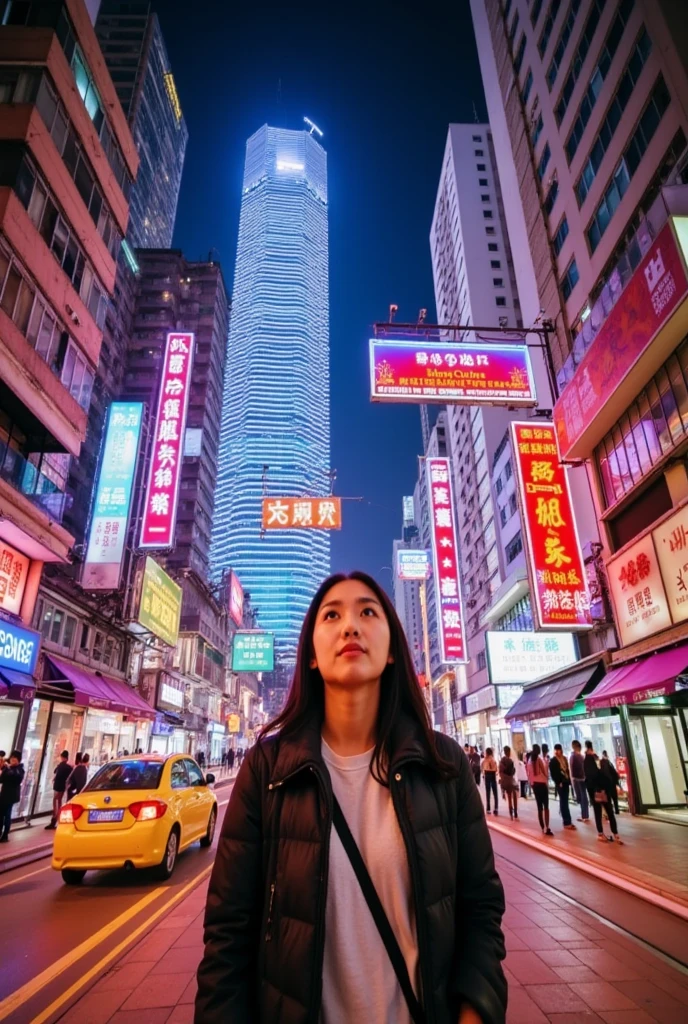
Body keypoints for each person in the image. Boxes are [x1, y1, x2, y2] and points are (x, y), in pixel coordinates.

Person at [195, 571, 507, 1024]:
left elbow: (480, 906)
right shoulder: (268, 770)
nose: (350, 626)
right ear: (313, 657)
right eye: (332, 615)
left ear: (393, 651)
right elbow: (228, 932)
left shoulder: (444, 766)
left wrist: (475, 1011)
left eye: (367, 612)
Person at [585, 743, 622, 844]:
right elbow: (613, 775)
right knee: (610, 812)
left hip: (597, 792)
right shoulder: (604, 762)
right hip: (606, 790)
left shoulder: (588, 763)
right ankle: (616, 834)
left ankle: (601, 834)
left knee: (598, 813)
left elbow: (589, 779)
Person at [527, 744, 553, 836]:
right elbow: (545, 773)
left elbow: (529, 774)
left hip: (535, 786)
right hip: (542, 784)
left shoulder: (529, 760)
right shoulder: (539, 759)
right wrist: (547, 780)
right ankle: (547, 827)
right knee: (546, 806)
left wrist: (532, 784)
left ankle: (542, 827)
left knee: (539, 807)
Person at [549, 744, 575, 830]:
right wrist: (558, 782)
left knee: (565, 801)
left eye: (558, 750)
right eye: (555, 750)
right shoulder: (553, 761)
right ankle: (567, 822)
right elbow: (553, 773)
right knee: (563, 801)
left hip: (566, 782)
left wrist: (570, 781)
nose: (557, 752)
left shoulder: (564, 759)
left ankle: (568, 820)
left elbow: (567, 770)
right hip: (560, 783)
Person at [0, 751, 24, 842]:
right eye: (12, 758)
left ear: (19, 760)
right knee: (1, 815)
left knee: (7, 815)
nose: (13, 760)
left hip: (11, 796)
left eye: (15, 758)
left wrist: (7, 768)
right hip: (3, 795)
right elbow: (1, 780)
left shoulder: (20, 769)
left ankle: (5, 835)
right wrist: (4, 769)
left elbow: (16, 778)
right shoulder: (7, 768)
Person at [46, 750, 71, 829]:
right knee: (58, 800)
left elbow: (56, 773)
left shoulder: (60, 766)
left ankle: (55, 818)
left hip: (58, 786)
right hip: (62, 786)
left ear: (62, 757)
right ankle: (57, 817)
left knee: (56, 800)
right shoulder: (68, 767)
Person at [569, 739, 590, 823]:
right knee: (584, 795)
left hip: (577, 779)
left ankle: (583, 815)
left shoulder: (573, 756)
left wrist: (572, 779)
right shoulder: (582, 756)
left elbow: (571, 768)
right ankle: (586, 815)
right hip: (583, 778)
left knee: (581, 797)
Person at [499, 746, 518, 820]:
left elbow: (500, 771)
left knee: (509, 797)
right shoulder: (511, 760)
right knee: (515, 796)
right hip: (511, 780)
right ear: (509, 752)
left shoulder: (502, 761)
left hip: (505, 781)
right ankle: (515, 812)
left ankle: (511, 814)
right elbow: (513, 771)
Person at [481, 747, 499, 815]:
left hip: (487, 774)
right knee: (495, 792)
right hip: (492, 775)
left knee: (488, 792)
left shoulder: (484, 760)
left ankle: (488, 808)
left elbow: (482, 767)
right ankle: (496, 808)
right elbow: (496, 769)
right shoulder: (493, 759)